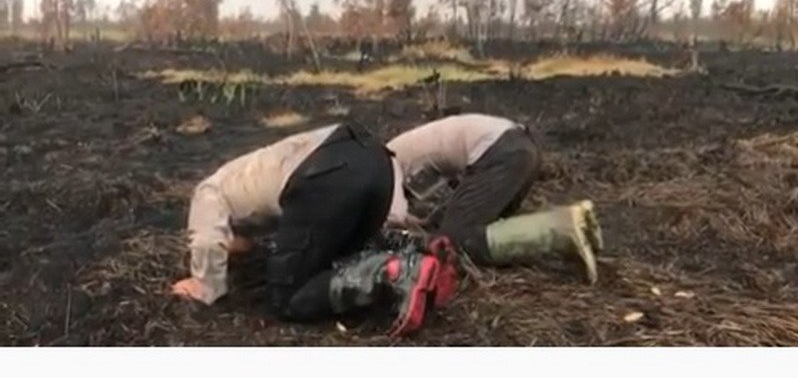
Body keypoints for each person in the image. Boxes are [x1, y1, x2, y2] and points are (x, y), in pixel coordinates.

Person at [171, 121, 458, 337]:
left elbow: (208, 240)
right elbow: (247, 240)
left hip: (324, 172)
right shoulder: (249, 178)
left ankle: (392, 273)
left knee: (288, 300)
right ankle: (419, 250)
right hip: (372, 158)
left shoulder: (209, 190)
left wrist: (204, 284)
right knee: (342, 249)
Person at [386, 113, 602, 284]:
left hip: (500, 153)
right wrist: (426, 222)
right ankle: (583, 220)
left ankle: (561, 229)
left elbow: (394, 218)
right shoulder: (402, 150)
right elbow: (453, 192)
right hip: (520, 146)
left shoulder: (385, 161)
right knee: (485, 225)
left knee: (454, 240)